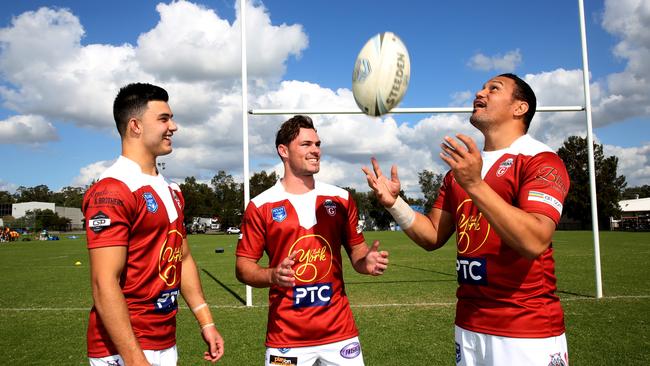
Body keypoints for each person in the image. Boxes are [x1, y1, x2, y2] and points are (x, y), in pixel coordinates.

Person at [363, 74, 570, 366]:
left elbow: (535, 240)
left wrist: (475, 184)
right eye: (482, 87)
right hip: (469, 324)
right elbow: (433, 235)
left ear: (519, 108)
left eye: (493, 88)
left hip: (525, 328)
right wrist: (394, 203)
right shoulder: (460, 171)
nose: (480, 92)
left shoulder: (540, 160)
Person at [82, 83, 224, 365]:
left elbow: (182, 258)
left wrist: (206, 321)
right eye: (163, 118)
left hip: (163, 340)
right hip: (123, 349)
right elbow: (103, 282)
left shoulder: (171, 189)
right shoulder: (112, 190)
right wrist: (135, 359)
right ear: (135, 126)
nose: (174, 126)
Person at [235, 115, 389, 366]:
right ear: (283, 151)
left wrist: (367, 262)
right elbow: (243, 268)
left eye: (317, 144)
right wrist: (273, 275)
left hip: (340, 334)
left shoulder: (341, 199)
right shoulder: (260, 206)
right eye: (306, 145)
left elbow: (358, 256)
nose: (315, 150)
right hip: (286, 337)